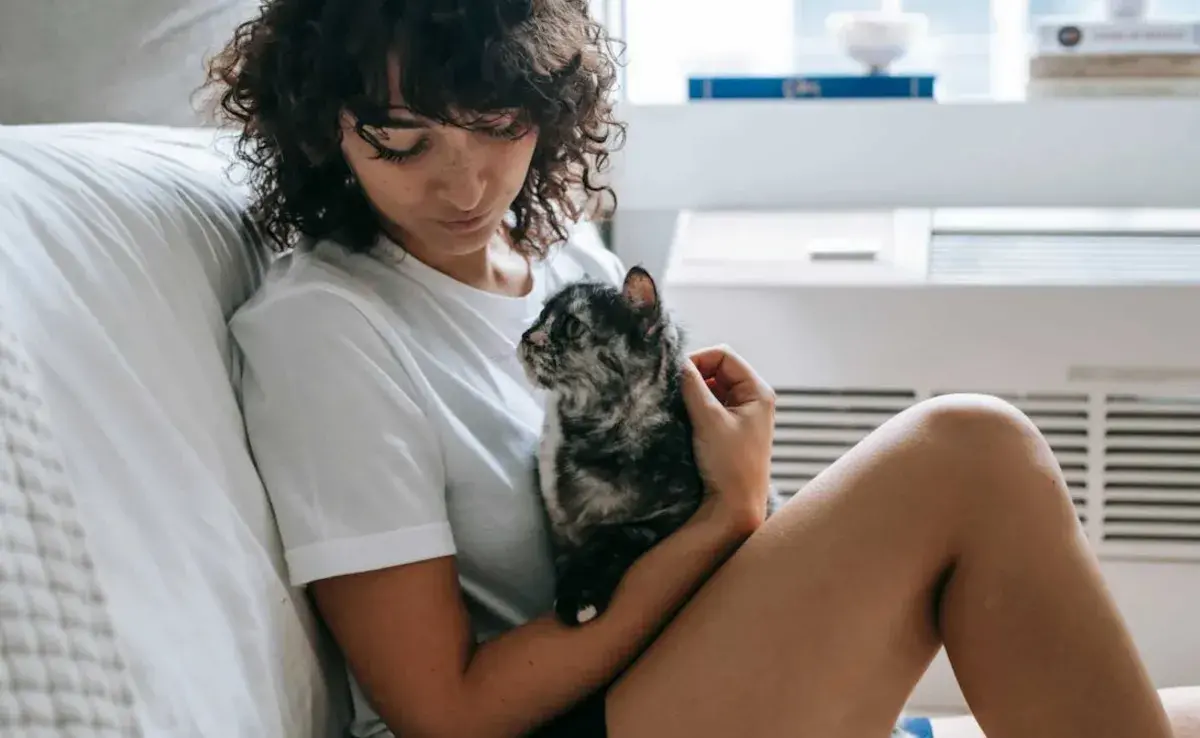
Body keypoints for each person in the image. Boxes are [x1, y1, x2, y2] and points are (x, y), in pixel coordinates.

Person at [206, 2, 1199, 737]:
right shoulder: (324, 330)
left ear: (548, 104)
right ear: (325, 134)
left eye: (498, 125)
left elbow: (677, 522)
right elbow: (446, 716)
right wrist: (730, 512)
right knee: (970, 447)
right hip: (565, 723)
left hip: (677, 669)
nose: (464, 184)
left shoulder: (569, 266)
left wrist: (732, 502)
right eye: (404, 142)